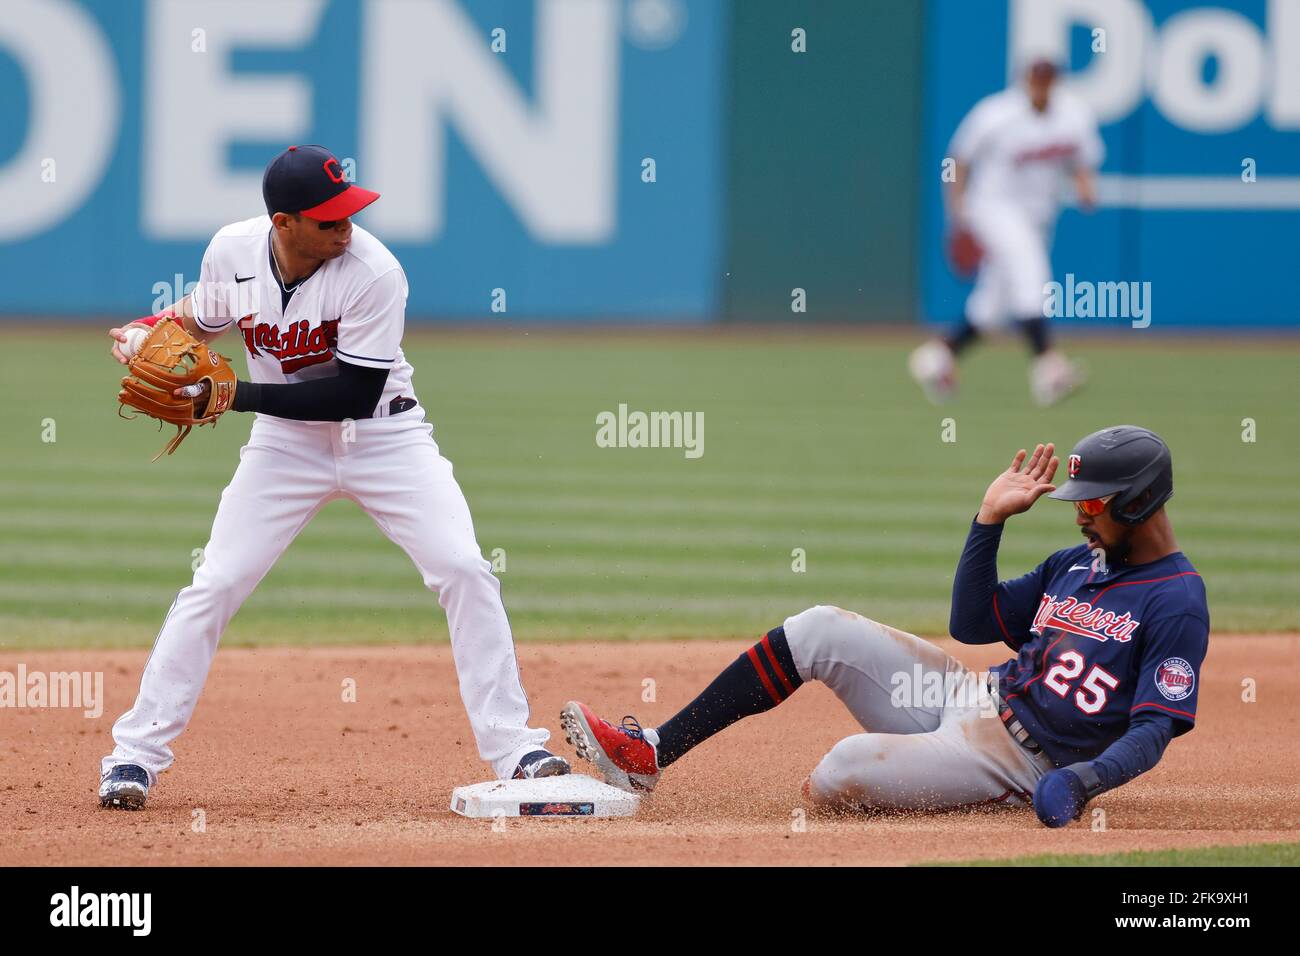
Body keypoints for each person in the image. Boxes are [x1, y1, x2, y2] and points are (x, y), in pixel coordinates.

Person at [98, 145, 567, 810]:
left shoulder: (374, 272)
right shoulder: (231, 252)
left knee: (464, 567)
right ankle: (132, 756)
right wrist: (148, 328)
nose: (345, 228)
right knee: (217, 582)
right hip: (284, 449)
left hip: (385, 435)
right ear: (283, 224)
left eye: (349, 214)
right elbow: (198, 316)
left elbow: (353, 393)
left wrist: (235, 397)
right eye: (328, 220)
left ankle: (516, 747)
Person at [561, 427, 1208, 827]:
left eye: (1092, 503)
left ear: (1139, 501)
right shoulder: (1077, 563)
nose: (1079, 517)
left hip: (1020, 763)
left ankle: (995, 797)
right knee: (819, 629)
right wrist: (989, 522)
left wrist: (1080, 781)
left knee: (840, 771)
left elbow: (1155, 729)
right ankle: (651, 754)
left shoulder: (1175, 600)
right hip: (970, 695)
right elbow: (973, 621)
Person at [910, 59, 1104, 407]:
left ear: (1055, 81)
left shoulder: (1074, 115)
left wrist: (1084, 185)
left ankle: (937, 356)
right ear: (1024, 79)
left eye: (1047, 78)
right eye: (1035, 77)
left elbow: (1081, 161)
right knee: (1031, 273)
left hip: (1038, 216)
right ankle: (1048, 368)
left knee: (992, 307)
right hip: (991, 207)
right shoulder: (996, 114)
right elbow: (957, 160)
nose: (1040, 83)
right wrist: (956, 215)